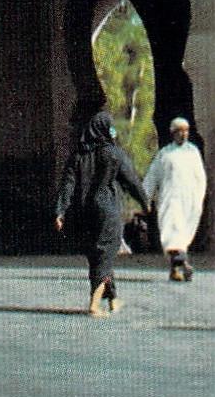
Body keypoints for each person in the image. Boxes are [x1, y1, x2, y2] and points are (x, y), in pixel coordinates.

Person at [54, 110, 151, 315]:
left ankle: (113, 299)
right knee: (104, 254)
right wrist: (145, 203)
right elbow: (132, 181)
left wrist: (60, 211)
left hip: (85, 212)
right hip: (108, 211)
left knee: (98, 255)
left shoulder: (78, 156)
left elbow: (67, 185)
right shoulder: (114, 153)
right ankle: (94, 304)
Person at [143, 117, 207, 282]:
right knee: (173, 232)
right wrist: (145, 198)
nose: (183, 134)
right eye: (180, 131)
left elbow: (200, 178)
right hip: (170, 201)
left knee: (181, 235)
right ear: (173, 133)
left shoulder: (193, 153)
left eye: (186, 131)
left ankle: (176, 267)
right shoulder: (165, 154)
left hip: (189, 201)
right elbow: (152, 177)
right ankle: (182, 263)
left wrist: (199, 198)